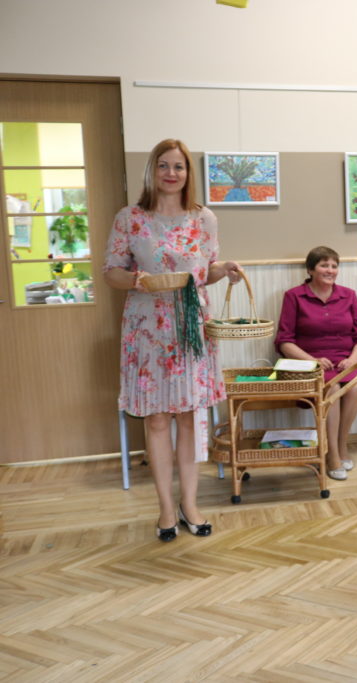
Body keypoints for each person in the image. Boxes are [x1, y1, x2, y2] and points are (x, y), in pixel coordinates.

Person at [103, 138, 243, 542]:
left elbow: (203, 272)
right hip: (148, 328)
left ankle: (190, 504)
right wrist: (137, 280)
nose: (171, 173)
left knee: (188, 417)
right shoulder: (130, 218)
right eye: (163, 165)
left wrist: (224, 270)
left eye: (178, 166)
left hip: (190, 329)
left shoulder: (204, 219)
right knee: (157, 419)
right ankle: (166, 508)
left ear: (187, 173)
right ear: (153, 170)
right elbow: (111, 272)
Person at [275, 246, 357, 480]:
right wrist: (313, 361)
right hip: (310, 365)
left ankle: (342, 445)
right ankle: (332, 454)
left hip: (344, 362)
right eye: (324, 265)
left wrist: (352, 360)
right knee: (332, 389)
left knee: (355, 388)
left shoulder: (348, 295)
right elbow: (284, 341)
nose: (330, 270)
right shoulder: (294, 296)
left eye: (334, 266)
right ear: (310, 269)